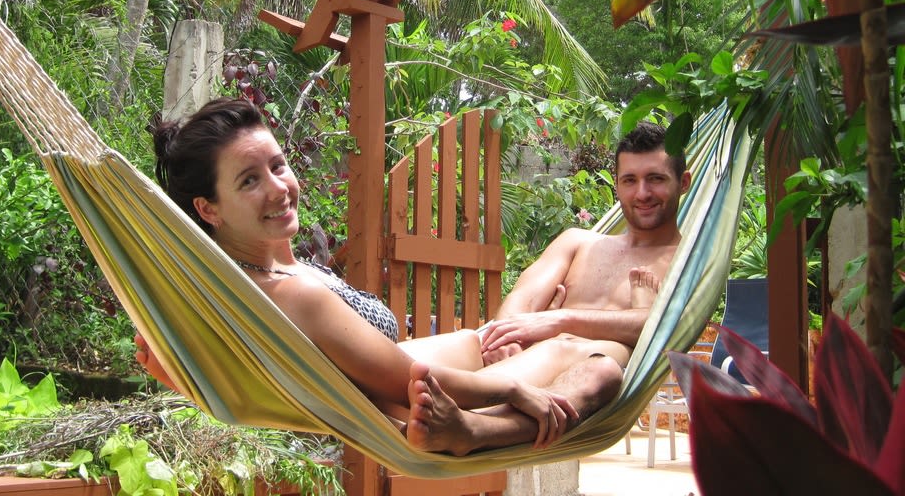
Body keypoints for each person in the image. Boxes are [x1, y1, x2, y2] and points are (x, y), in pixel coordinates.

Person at [135, 96, 623, 455]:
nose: (279, 187)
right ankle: (477, 432)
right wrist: (513, 389)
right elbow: (402, 380)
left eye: (278, 165)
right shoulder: (290, 293)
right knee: (602, 366)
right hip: (431, 400)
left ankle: (492, 399)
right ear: (208, 209)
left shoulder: (255, 276)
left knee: (547, 344)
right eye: (249, 180)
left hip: (440, 370)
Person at [479, 121, 691, 371]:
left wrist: (560, 320)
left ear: (684, 182)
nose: (642, 193)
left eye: (655, 179)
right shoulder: (576, 243)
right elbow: (522, 299)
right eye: (630, 180)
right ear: (617, 184)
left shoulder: (687, 261)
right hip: (514, 365)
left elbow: (666, 327)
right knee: (454, 346)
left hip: (584, 383)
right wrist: (506, 340)